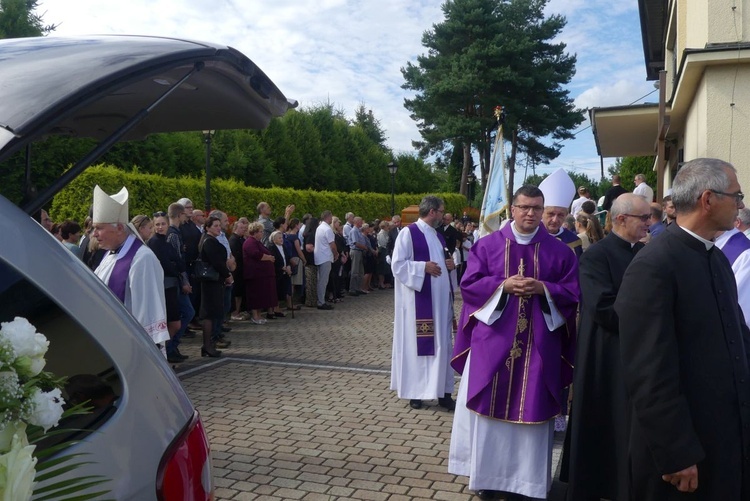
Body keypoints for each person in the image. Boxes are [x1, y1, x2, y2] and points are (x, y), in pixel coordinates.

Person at [615, 158, 750, 500]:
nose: (741, 203)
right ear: (708, 200)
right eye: (736, 195)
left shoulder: (715, 257)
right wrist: (677, 451)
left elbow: (737, 339)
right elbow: (648, 370)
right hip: (683, 451)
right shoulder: (653, 265)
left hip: (721, 437)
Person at [448, 184, 579, 501]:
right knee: (490, 415)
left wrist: (543, 289)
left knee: (531, 411)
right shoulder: (488, 246)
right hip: (493, 347)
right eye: (524, 207)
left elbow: (573, 293)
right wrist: (503, 285)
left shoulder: (560, 252)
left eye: (537, 208)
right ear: (513, 209)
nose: (531, 213)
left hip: (538, 350)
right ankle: (489, 480)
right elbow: (470, 286)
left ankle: (527, 484)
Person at [562, 193, 651, 501]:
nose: (649, 223)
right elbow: (602, 307)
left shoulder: (644, 252)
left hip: (637, 350)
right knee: (606, 421)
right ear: (621, 219)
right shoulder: (597, 256)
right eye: (643, 218)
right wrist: (652, 315)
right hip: (605, 352)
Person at [390, 195, 456, 411]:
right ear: (432, 212)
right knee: (419, 347)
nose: (444, 216)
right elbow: (398, 265)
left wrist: (449, 265)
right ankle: (416, 393)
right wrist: (422, 268)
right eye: (441, 211)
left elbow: (442, 262)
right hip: (420, 305)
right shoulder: (409, 233)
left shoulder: (438, 236)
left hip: (440, 303)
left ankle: (443, 393)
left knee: (442, 347)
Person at [91, 186, 170, 354]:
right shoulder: (109, 255)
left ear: (119, 228)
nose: (94, 234)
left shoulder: (142, 258)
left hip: (133, 349)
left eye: (99, 228)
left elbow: (149, 311)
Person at [147, 211, 183, 361]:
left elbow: (179, 262)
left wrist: (176, 266)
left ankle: (164, 352)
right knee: (173, 323)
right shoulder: (155, 242)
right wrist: (175, 267)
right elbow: (166, 265)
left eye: (163, 224)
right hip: (164, 287)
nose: (160, 227)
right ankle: (162, 353)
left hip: (171, 285)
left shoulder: (165, 241)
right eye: (157, 225)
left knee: (176, 322)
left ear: (168, 224)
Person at [198, 216, 232, 357]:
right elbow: (217, 262)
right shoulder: (209, 242)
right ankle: (207, 345)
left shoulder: (211, 240)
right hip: (211, 282)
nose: (219, 228)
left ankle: (209, 344)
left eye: (219, 225)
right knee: (209, 314)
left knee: (213, 313)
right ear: (207, 227)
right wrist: (227, 275)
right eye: (215, 226)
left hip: (215, 281)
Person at [539, 168, 583, 257]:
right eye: (551, 214)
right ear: (541, 212)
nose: (555, 220)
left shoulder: (573, 240)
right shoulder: (530, 236)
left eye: (560, 215)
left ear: (566, 215)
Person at [243, 222, 277, 323]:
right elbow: (256, 254)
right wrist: (269, 257)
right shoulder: (250, 242)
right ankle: (255, 316)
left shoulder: (258, 242)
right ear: (255, 232)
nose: (262, 234)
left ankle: (258, 315)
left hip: (262, 274)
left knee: (261, 296)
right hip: (255, 274)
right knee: (255, 296)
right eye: (261, 232)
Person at [314, 210, 338, 310]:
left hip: (319, 256)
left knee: (321, 280)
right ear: (328, 217)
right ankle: (321, 302)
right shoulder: (327, 229)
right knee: (323, 281)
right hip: (325, 256)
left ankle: (321, 300)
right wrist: (336, 253)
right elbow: (332, 244)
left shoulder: (319, 227)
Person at [229, 217, 249, 320]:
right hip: (236, 270)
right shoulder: (234, 239)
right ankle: (234, 313)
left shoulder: (241, 239)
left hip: (242, 269)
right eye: (241, 228)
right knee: (236, 292)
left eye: (245, 228)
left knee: (240, 292)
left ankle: (238, 311)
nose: (244, 230)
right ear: (236, 228)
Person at [268, 230, 292, 318]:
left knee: (281, 291)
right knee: (276, 291)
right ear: (274, 240)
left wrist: (288, 266)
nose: (281, 239)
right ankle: (274, 309)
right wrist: (282, 267)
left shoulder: (283, 247)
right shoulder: (272, 248)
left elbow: (287, 258)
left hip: (284, 272)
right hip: (277, 272)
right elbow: (274, 261)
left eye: (281, 237)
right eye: (279, 238)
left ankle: (277, 308)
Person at [303, 218, 319, 307]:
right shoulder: (310, 235)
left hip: (311, 260)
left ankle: (312, 300)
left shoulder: (307, 234)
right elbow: (308, 248)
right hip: (310, 260)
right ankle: (310, 301)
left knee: (312, 281)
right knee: (310, 282)